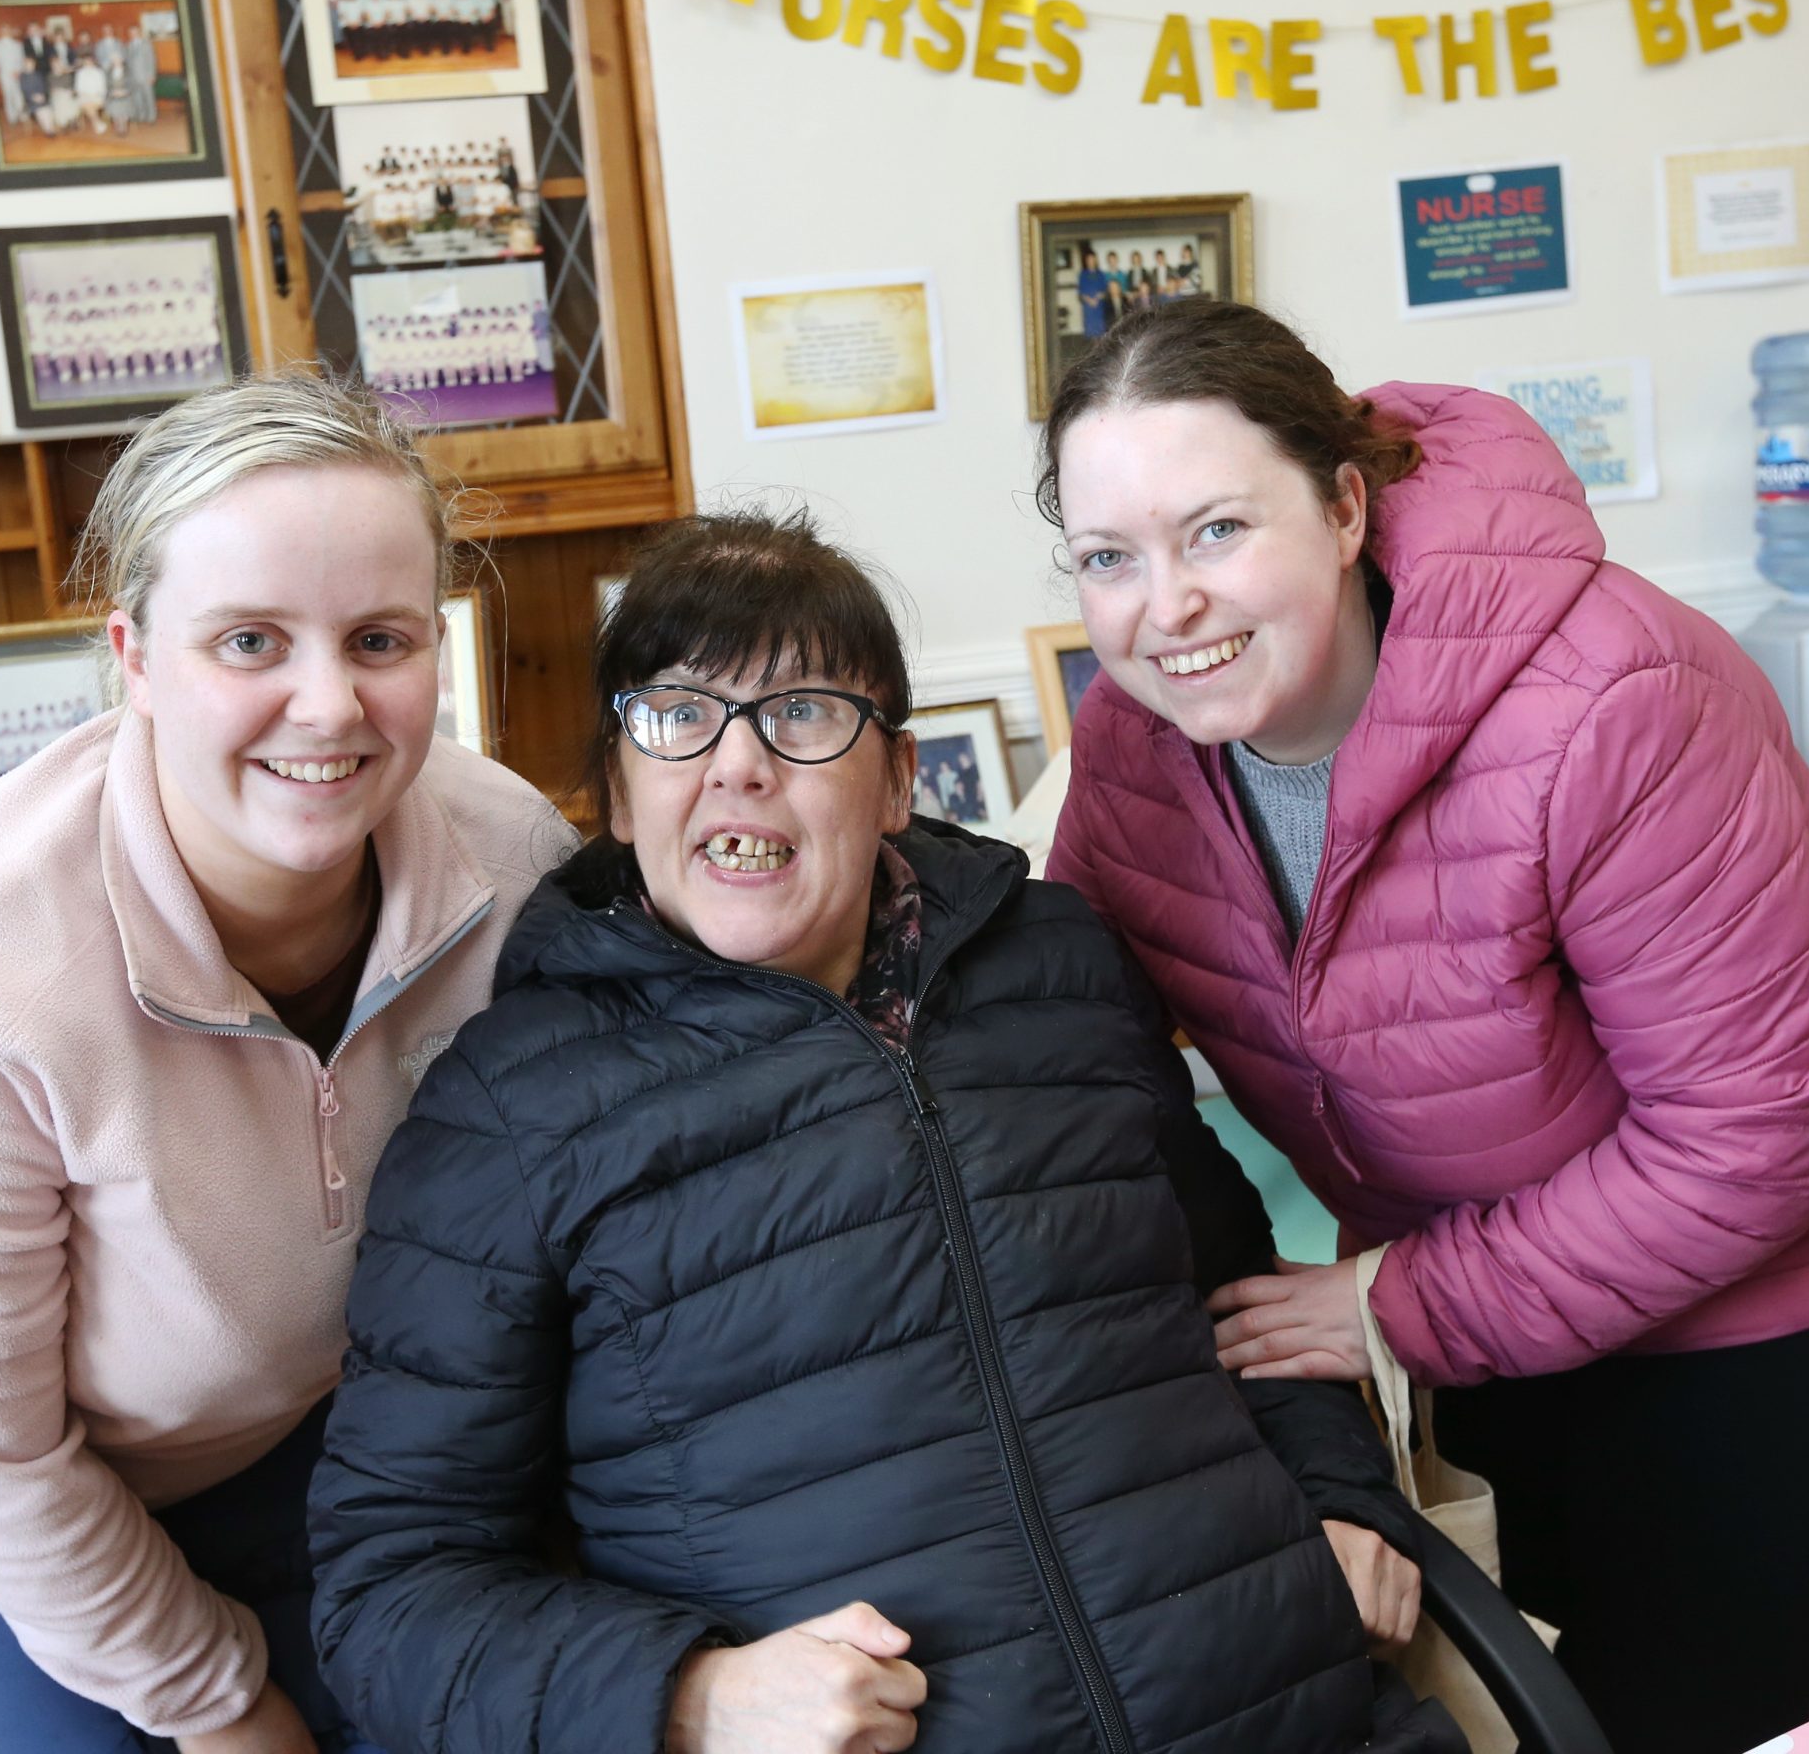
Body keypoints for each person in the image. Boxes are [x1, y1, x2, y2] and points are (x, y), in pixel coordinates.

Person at [309, 509, 1460, 1754]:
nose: (738, 764)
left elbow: (1238, 1298)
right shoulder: (508, 1109)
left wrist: (1344, 1507)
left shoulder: (1059, 967)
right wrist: (688, 1697)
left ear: (900, 777)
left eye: (802, 712)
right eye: (677, 716)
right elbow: (388, 1594)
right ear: (622, 794)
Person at [1037, 297, 1809, 1754]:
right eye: (1111, 559)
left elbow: (1761, 1136)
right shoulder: (1136, 744)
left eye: (1218, 531)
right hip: (1468, 1336)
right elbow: (1070, 1038)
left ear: (1347, 504)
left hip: (1740, 1346)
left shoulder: (1617, 701)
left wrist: (1389, 1306)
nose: (1166, 607)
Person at [0, 374, 573, 1754]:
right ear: (134, 656)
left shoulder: (516, 858)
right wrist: (223, 1708)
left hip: (289, 1404)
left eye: (380, 639)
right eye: (249, 642)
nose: (327, 705)